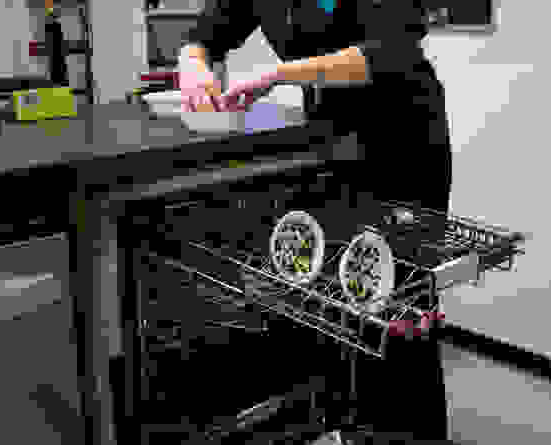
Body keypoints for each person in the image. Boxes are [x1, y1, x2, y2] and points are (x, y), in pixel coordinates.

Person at [176, 0, 452, 442]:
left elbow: (391, 51)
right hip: (328, 141)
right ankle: (348, 427)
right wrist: (193, 65)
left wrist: (279, 75)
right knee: (332, 300)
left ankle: (412, 434)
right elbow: (208, 32)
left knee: (397, 305)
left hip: (400, 139)